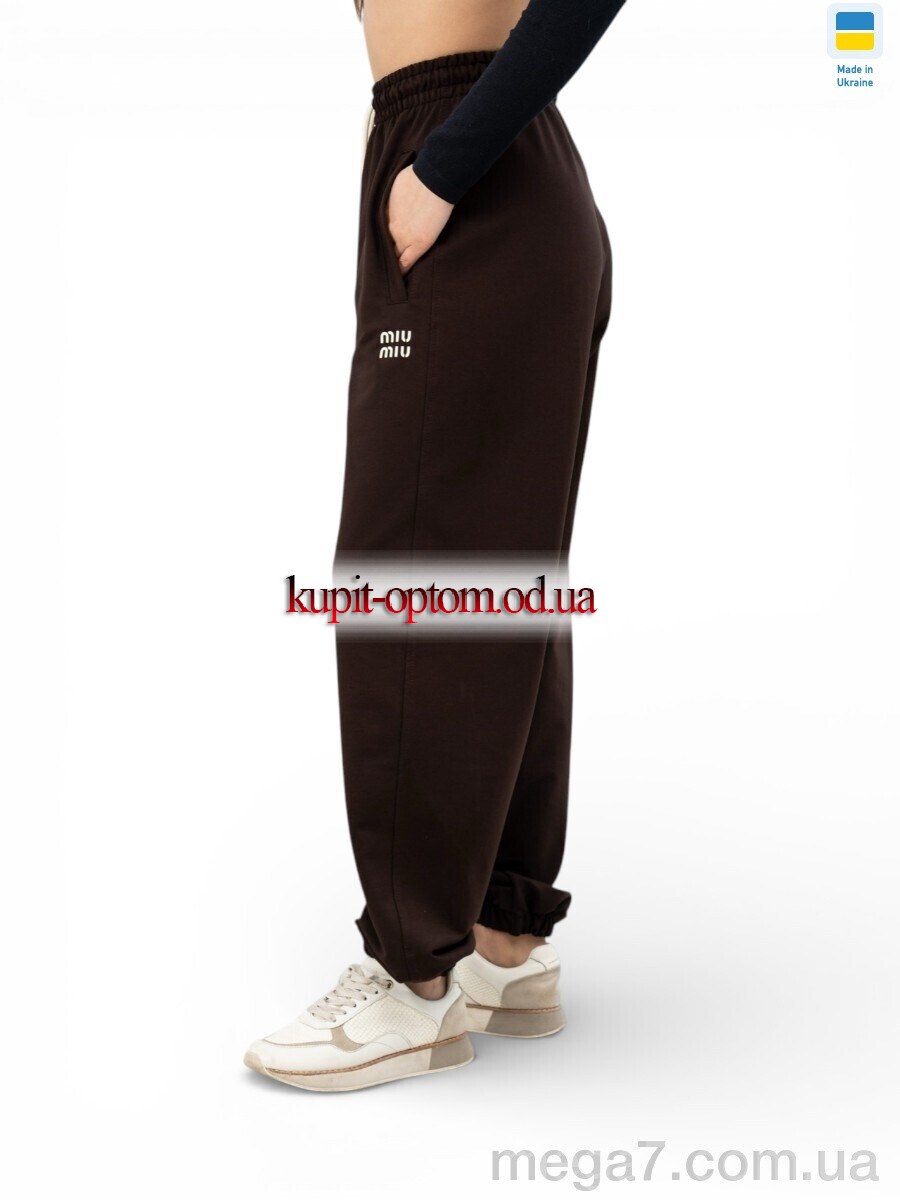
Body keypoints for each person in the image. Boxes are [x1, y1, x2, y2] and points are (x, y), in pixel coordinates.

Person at [245, 0, 627, 1091]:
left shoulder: (454, 158)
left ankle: (410, 974)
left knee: (411, 572)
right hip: (484, 163)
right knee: (494, 573)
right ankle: (507, 939)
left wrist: (443, 168)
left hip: (471, 166)